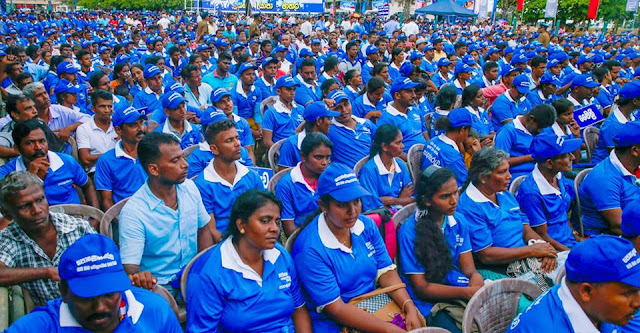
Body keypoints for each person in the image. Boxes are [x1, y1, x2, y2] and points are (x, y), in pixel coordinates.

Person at [292, 162, 423, 332]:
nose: (352, 211)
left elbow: (386, 272)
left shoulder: (366, 225)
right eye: (342, 204)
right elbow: (336, 309)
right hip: (336, 319)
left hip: (375, 301)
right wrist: (388, 329)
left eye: (356, 201)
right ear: (323, 206)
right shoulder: (310, 250)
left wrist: (408, 306)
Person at [186, 190, 312, 332]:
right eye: (265, 221)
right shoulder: (208, 272)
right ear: (241, 225)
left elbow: (299, 309)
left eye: (277, 222)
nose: (275, 229)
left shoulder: (279, 255)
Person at [4, 233, 182, 332]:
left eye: (109, 294)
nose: (100, 308)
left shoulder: (153, 310)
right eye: (86, 297)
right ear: (64, 292)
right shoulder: (42, 326)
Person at [119, 132, 214, 295]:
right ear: (154, 169)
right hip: (161, 286)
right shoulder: (133, 213)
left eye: (183, 157)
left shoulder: (189, 188)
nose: (185, 165)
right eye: (175, 161)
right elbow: (131, 267)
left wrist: (205, 267)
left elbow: (203, 229)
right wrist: (142, 277)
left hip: (194, 275)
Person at [397, 166, 484, 333]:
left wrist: (476, 280)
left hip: (456, 286)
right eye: (445, 196)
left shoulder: (458, 221)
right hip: (427, 303)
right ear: (427, 200)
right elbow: (422, 288)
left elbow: (469, 269)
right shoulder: (410, 232)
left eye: (455, 192)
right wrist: (466, 293)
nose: (454, 201)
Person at [457, 148, 561, 282]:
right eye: (502, 172)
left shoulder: (502, 192)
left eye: (508, 170)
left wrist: (542, 247)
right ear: (483, 177)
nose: (509, 176)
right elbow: (486, 255)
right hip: (503, 266)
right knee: (553, 284)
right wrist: (533, 251)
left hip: (526, 254)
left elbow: (525, 228)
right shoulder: (469, 206)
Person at [0, 171, 96, 307]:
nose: (37, 210)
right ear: (8, 214)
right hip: (52, 317)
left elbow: (106, 265)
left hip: (93, 304)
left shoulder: (77, 227)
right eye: (24, 206)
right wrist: (47, 272)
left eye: (40, 200)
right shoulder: (10, 238)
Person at [507, 235, 640, 333]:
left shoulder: (582, 300)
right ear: (586, 291)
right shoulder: (550, 327)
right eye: (628, 293)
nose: (637, 302)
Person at [0, 120, 99, 208]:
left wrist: (94, 217)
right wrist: (28, 177)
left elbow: (87, 185)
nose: (38, 147)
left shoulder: (66, 161)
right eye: (30, 143)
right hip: (32, 224)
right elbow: (9, 206)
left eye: (42, 141)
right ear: (17, 148)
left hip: (73, 221)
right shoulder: (6, 173)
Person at [193, 117, 263, 241]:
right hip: (223, 243)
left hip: (253, 236)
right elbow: (212, 231)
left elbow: (262, 212)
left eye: (237, 138)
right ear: (214, 149)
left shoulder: (251, 176)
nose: (237, 144)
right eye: (229, 140)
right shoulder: (202, 184)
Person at [516, 134, 583, 252]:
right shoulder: (531, 194)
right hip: (556, 250)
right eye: (566, 155)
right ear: (549, 163)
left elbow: (562, 213)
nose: (572, 157)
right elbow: (542, 236)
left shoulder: (558, 175)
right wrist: (571, 252)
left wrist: (576, 236)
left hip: (571, 242)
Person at [579, 122, 640, 236]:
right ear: (635, 151)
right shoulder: (604, 178)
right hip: (609, 240)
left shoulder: (634, 166)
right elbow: (619, 226)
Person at [276, 132, 332, 237]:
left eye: (327, 157)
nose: (325, 162)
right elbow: (290, 230)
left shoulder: (330, 178)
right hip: (302, 237)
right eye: (319, 157)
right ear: (303, 156)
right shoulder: (286, 185)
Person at [94, 105, 148, 212]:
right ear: (118, 130)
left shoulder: (152, 151)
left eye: (141, 123)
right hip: (128, 213)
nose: (140, 128)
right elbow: (106, 200)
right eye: (133, 125)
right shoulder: (106, 161)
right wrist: (121, 222)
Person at [358, 123, 414, 212]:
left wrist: (394, 201)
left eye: (402, 142)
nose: (402, 146)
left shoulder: (401, 165)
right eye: (398, 143)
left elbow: (412, 198)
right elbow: (371, 206)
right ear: (384, 146)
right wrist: (401, 201)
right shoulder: (369, 171)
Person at [495, 104, 557, 180]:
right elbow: (500, 163)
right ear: (531, 119)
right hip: (519, 176)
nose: (540, 131)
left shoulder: (540, 128)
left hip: (541, 172)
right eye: (539, 127)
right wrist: (531, 157)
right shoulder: (507, 132)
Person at [378, 77, 427, 160]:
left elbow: (424, 132)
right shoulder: (386, 119)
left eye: (414, 91)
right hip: (406, 162)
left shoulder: (415, 109)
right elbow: (388, 150)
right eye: (409, 92)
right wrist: (412, 160)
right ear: (397, 95)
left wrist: (429, 150)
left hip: (424, 155)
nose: (414, 95)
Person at [278, 101, 338, 169]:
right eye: (328, 119)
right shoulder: (290, 144)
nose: (331, 123)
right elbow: (282, 174)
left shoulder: (327, 141)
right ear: (319, 121)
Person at [421, 108, 472, 187]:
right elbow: (466, 186)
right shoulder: (453, 157)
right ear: (463, 129)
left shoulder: (432, 141)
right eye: (468, 131)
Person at [327, 89, 377, 168]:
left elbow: (383, 142)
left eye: (346, 104)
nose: (344, 110)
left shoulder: (366, 123)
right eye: (338, 107)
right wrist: (323, 108)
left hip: (372, 172)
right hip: (350, 176)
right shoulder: (328, 130)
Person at [592, 81, 639, 164]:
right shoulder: (612, 125)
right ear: (635, 101)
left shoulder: (632, 116)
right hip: (608, 167)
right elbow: (618, 156)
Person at [75, 90, 118, 173]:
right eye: (102, 106)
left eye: (109, 106)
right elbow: (86, 159)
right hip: (97, 171)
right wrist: (115, 156)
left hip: (119, 169)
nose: (107, 110)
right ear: (93, 109)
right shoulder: (84, 129)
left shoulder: (118, 126)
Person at [262, 75, 305, 148]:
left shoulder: (301, 109)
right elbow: (267, 142)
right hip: (282, 149)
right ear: (278, 91)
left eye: (294, 89)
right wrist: (282, 152)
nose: (292, 93)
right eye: (288, 89)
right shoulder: (270, 113)